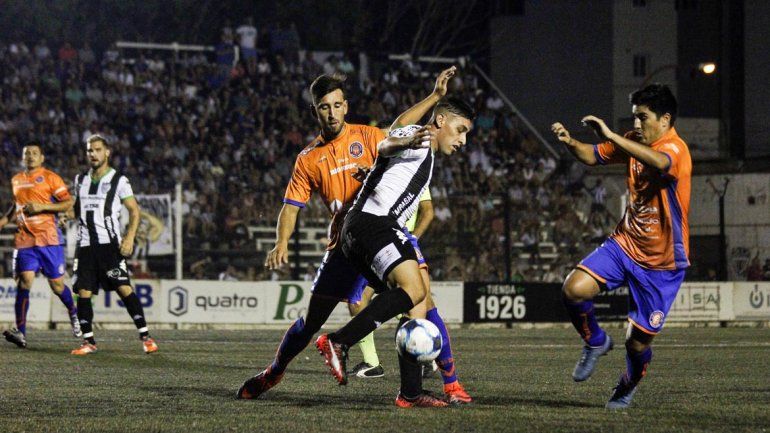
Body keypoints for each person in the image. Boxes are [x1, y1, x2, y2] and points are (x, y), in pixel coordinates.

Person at [237, 68, 456, 402]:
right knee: (310, 323)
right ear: (315, 112)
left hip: (378, 234)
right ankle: (274, 371)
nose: (332, 112)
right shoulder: (308, 159)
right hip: (344, 243)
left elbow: (398, 129)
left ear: (346, 106)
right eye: (325, 107)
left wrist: (435, 97)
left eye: (337, 105)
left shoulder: (366, 136)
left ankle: (432, 387)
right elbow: (291, 206)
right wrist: (281, 242)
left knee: (418, 298)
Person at [315, 96, 475, 408]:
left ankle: (410, 394)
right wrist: (433, 98)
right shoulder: (420, 138)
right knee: (414, 289)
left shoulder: (423, 151)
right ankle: (338, 342)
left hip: (367, 229)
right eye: (460, 130)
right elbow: (387, 142)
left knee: (415, 306)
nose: (463, 140)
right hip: (373, 225)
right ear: (441, 121)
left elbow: (385, 156)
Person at [550, 83, 691, 409]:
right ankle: (596, 342)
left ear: (665, 119)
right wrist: (570, 142)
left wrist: (614, 136)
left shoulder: (676, 149)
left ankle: (626, 385)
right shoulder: (633, 141)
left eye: (643, 118)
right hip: (625, 244)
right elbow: (593, 155)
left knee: (637, 344)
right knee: (573, 289)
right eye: (635, 118)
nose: (637, 125)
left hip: (662, 262)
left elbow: (659, 162)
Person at [69, 134, 159, 355]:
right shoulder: (80, 180)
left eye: (97, 150)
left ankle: (146, 337)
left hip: (109, 245)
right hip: (85, 245)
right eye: (90, 150)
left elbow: (134, 211)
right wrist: (65, 215)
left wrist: (129, 238)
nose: (93, 154)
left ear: (107, 152)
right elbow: (76, 209)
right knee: (83, 291)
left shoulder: (119, 180)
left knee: (123, 287)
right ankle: (89, 342)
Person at [1, 142, 81, 348]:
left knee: (57, 286)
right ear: (22, 157)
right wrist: (3, 221)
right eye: (27, 153)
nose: (30, 156)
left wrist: (42, 206)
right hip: (25, 239)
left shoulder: (51, 178)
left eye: (35, 153)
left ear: (42, 158)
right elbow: (16, 206)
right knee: (24, 281)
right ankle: (21, 332)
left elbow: (68, 203)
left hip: (49, 240)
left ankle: (73, 312)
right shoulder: (16, 180)